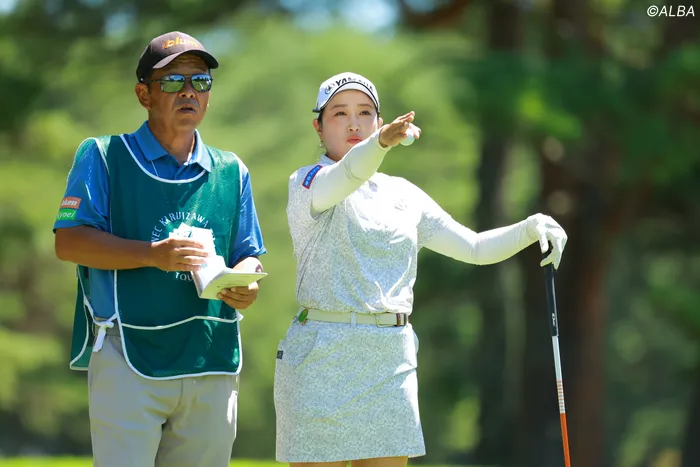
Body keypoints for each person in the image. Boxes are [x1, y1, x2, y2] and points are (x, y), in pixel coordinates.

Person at [275, 72, 568, 467]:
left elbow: (475, 248)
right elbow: (349, 174)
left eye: (365, 113)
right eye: (339, 114)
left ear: (379, 121)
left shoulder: (402, 194)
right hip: (321, 358)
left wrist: (530, 228)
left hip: (389, 359)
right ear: (319, 127)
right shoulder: (308, 182)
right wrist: (380, 144)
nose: (353, 124)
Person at [53, 31, 266, 467]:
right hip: (127, 352)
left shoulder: (232, 170)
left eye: (200, 81)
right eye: (172, 80)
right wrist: (152, 254)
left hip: (210, 354)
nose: (189, 91)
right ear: (143, 95)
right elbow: (69, 241)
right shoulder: (103, 155)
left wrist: (247, 283)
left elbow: (248, 253)